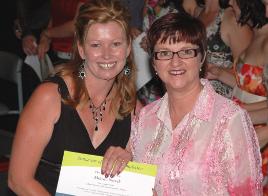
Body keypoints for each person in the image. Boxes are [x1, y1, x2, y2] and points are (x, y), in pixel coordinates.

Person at [8, 0, 136, 195]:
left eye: (116, 44)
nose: (107, 54)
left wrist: (130, 158)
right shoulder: (50, 97)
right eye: (96, 45)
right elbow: (18, 181)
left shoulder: (132, 107)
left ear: (127, 49)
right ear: (82, 49)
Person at [129, 12, 262, 195]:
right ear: (154, 63)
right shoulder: (145, 119)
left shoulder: (229, 119)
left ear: (202, 58)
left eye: (186, 52)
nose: (175, 62)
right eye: (165, 53)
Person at [206, 0, 268, 192]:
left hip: (260, 135)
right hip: (245, 128)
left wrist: (239, 115)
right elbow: (251, 87)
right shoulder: (259, 33)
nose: (230, 2)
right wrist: (219, 74)